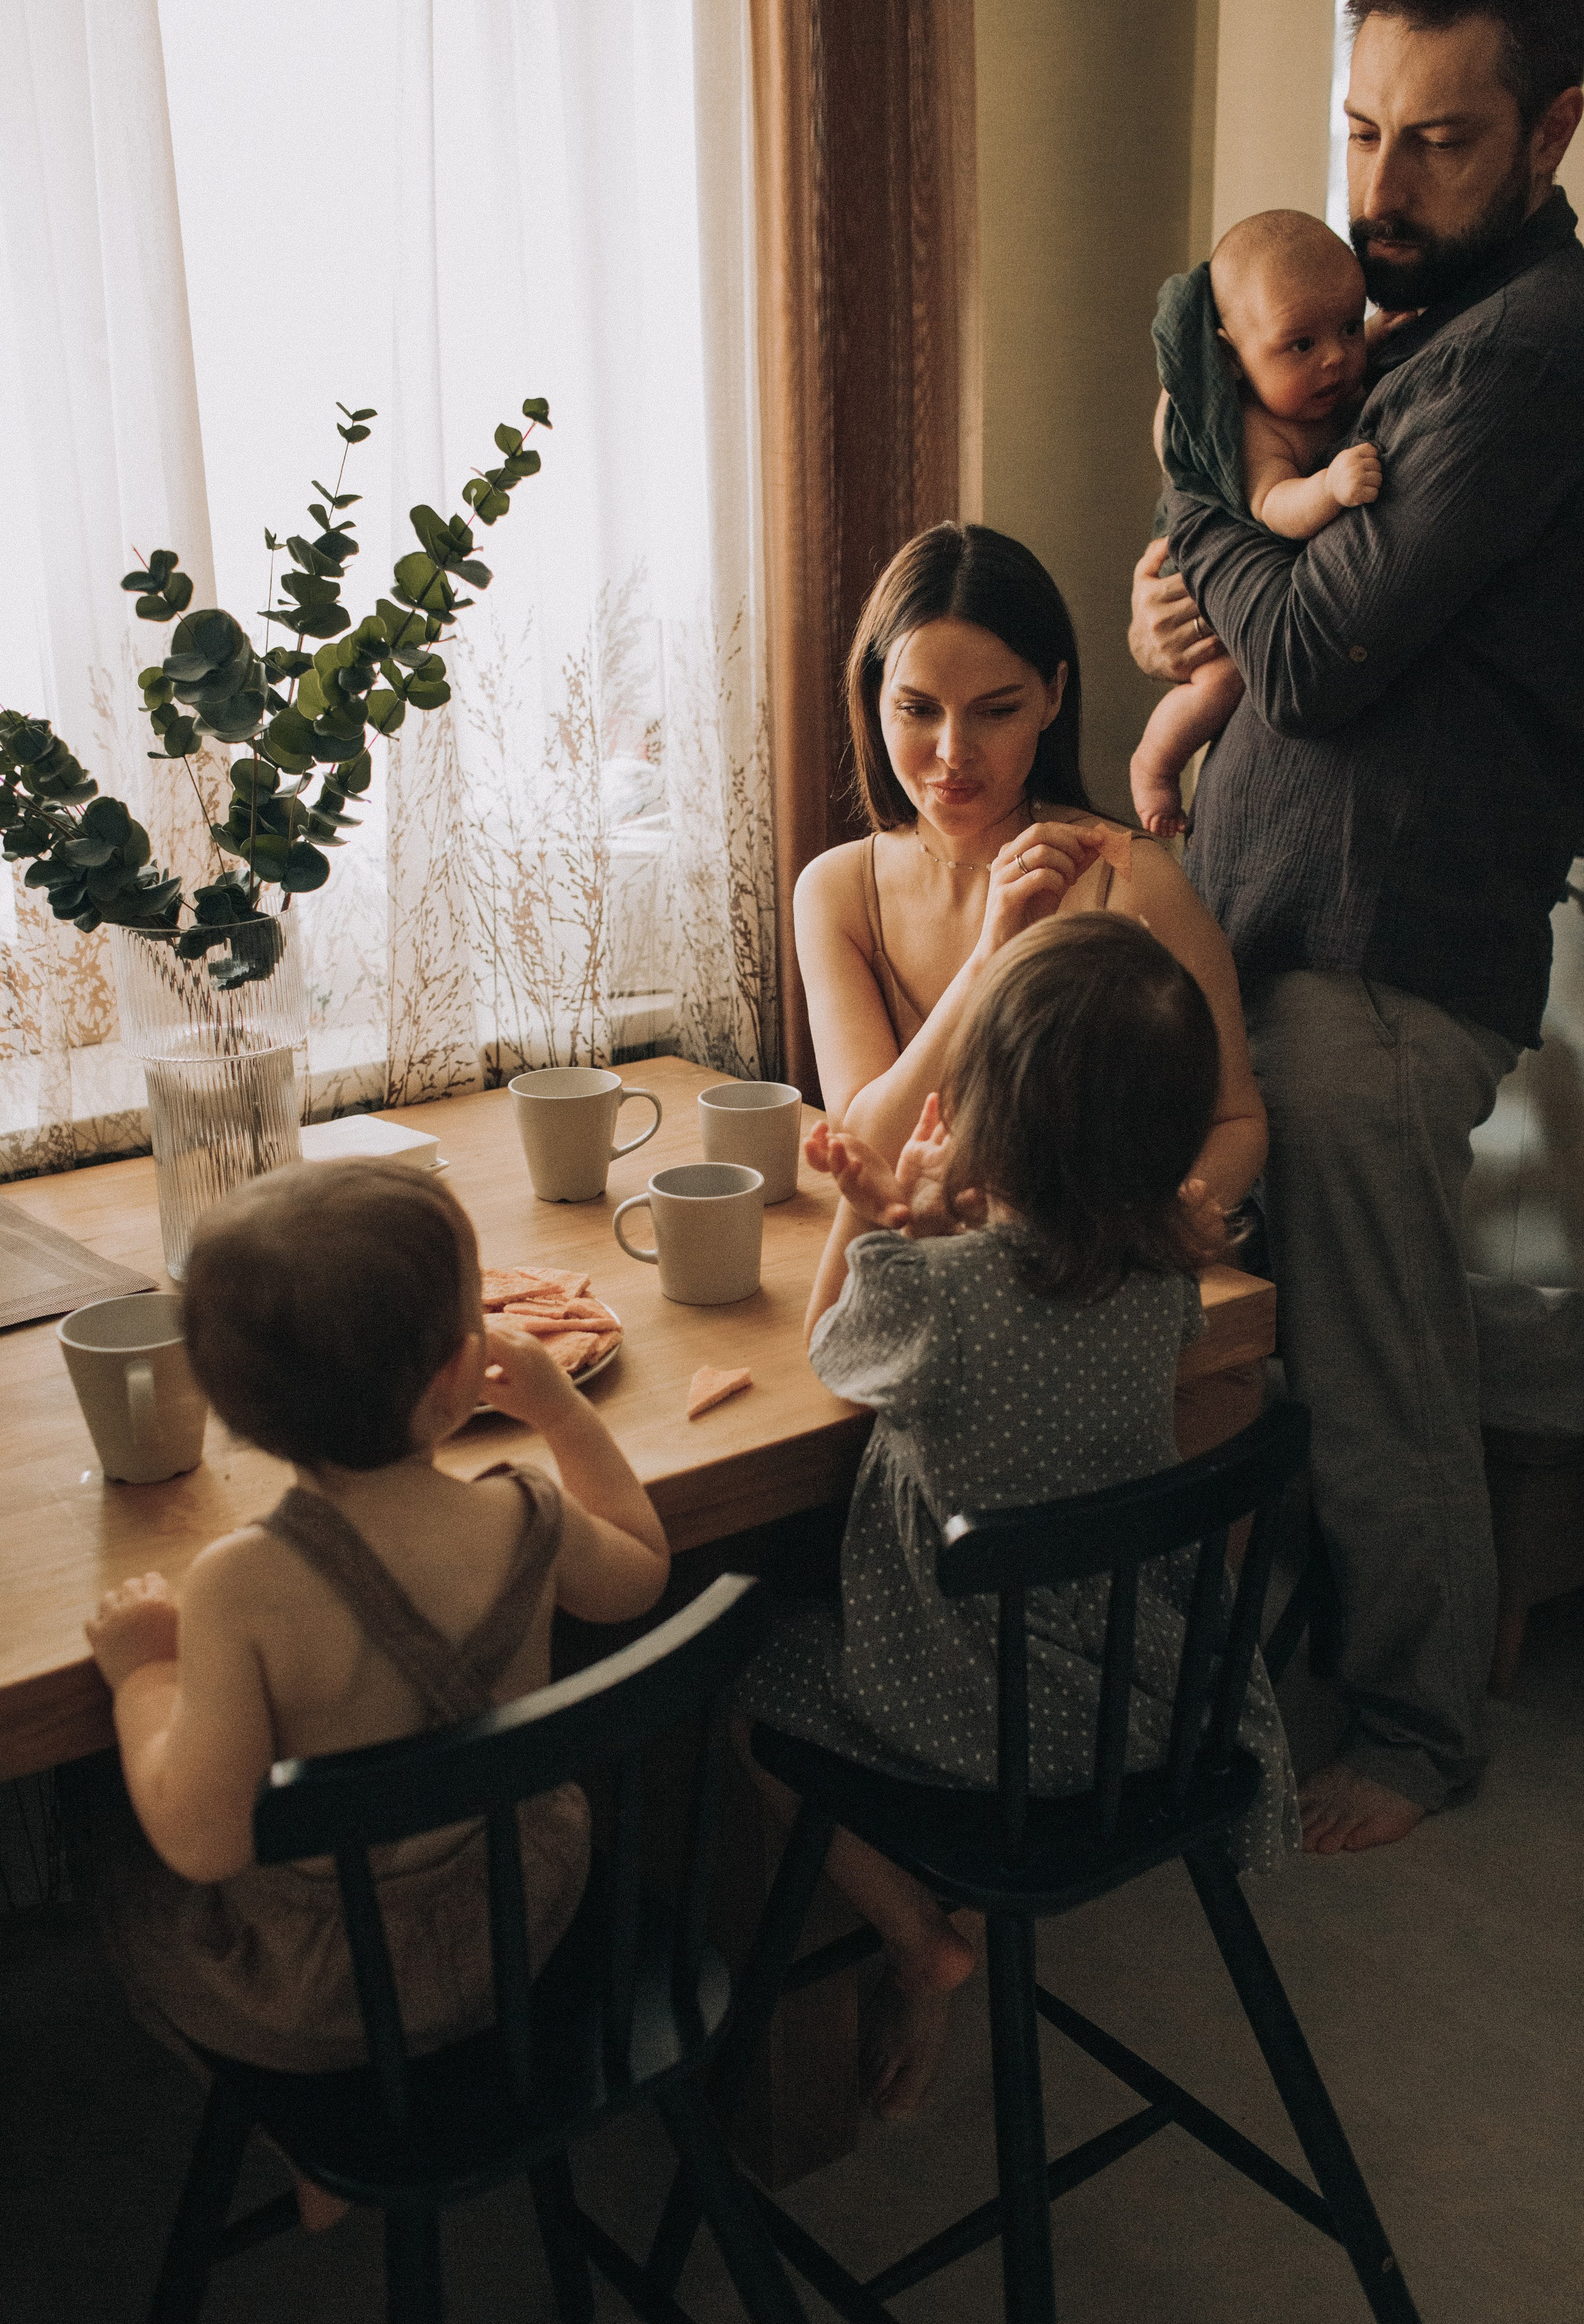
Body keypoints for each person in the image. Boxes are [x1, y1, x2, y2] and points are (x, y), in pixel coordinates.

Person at [1127, 0, 1584, 1854]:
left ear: (1554, 132)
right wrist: (1197, 586)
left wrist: (1203, 544)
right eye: (1360, 131)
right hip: (1262, 925)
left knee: (1377, 1346)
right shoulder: (1378, 332)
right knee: (1219, 1310)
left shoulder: (1531, 345)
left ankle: (1412, 1726)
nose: (1381, 188)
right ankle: (1205, 1660)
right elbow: (1263, 598)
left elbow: (1312, 654)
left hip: (1391, 959)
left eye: (1442, 141)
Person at [741, 915, 1299, 2120]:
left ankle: (913, 1932)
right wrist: (938, 1223)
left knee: (725, 1690)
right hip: (1132, 1707)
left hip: (970, 1725)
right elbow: (1053, 1290)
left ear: (979, 1111)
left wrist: (871, 1219)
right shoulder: (1161, 1282)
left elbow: (828, 1351)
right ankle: (921, 1939)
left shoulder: (937, 1293)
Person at [84, 1159, 668, 2227]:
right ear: (460, 1371)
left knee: (121, 1884)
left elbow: (202, 1841)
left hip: (333, 1999)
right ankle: (343, 2131)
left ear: (230, 1414)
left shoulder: (239, 1589)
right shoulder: (524, 1517)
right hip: (533, 1922)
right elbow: (639, 1564)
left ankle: (303, 2132)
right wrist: (555, 1410)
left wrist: (143, 1676)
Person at [794, 522, 1268, 1271]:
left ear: (1051, 696)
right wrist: (991, 954)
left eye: (996, 710)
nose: (953, 753)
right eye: (918, 710)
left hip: (1098, 1284)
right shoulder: (837, 891)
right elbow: (867, 1149)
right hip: (920, 1283)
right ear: (874, 696)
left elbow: (1236, 1119)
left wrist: (1165, 1223)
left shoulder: (1129, 876)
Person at [1130, 212, 1387, 838]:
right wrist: (1327, 487)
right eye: (1300, 345)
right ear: (1232, 358)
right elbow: (1275, 506)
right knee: (1221, 683)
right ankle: (1155, 765)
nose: (1335, 359)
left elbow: (1342, 346)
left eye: (1349, 326)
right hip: (1199, 588)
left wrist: (1382, 333)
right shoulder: (1259, 429)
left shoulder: (1315, 380)